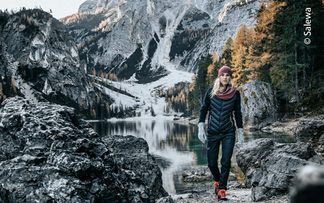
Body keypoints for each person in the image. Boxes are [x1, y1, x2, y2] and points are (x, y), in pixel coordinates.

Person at [197, 65, 244, 200]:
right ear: (219, 76)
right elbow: (203, 109)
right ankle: (217, 181)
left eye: (227, 75)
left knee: (226, 161)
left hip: (228, 132)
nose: (225, 77)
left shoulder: (235, 93)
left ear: (230, 77)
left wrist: (240, 132)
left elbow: (238, 114)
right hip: (212, 132)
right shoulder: (211, 91)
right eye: (223, 75)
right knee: (211, 163)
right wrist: (201, 127)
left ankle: (222, 189)